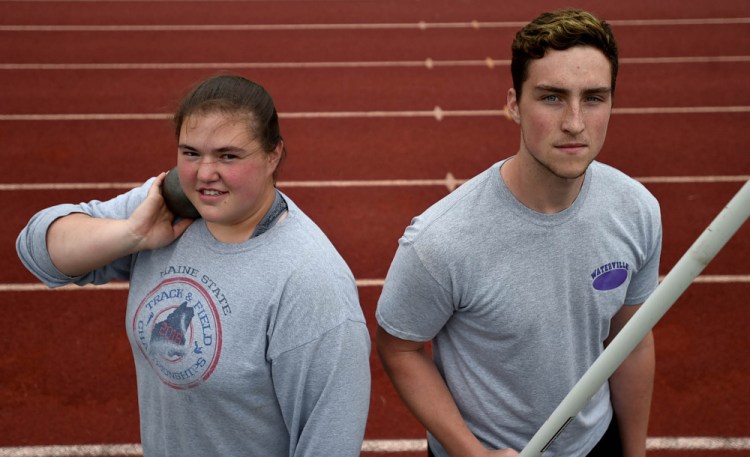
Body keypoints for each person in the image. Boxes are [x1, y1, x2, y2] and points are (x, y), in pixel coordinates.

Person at [16, 74, 371, 456]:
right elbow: (38, 251)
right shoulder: (168, 208)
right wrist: (132, 234)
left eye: (228, 156)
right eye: (190, 153)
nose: (204, 174)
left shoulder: (311, 283)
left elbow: (329, 443)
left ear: (273, 156)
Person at [375, 8, 661, 457]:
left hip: (595, 441)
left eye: (593, 98)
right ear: (513, 104)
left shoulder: (636, 210)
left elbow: (632, 339)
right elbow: (399, 349)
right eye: (551, 97)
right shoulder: (441, 240)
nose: (574, 122)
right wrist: (472, 453)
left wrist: (635, 452)